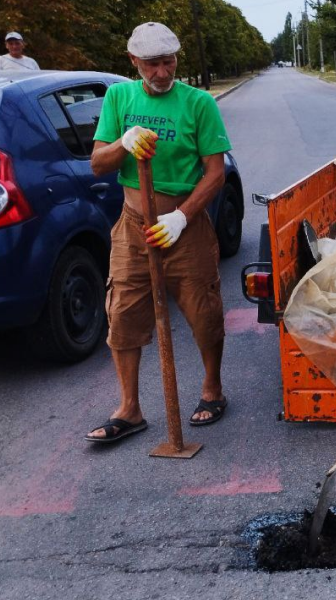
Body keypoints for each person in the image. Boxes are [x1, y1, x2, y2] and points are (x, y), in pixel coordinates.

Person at [85, 22, 232, 444]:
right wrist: (123, 143)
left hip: (184, 228)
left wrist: (181, 217)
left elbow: (216, 173)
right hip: (133, 227)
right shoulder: (119, 97)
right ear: (134, 62)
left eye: (168, 62)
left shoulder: (199, 104)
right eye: (152, 64)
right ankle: (129, 410)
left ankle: (212, 390)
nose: (162, 73)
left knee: (203, 312)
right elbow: (99, 163)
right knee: (122, 314)